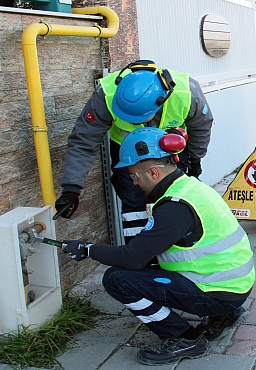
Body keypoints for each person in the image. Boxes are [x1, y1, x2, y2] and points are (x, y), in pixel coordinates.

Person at [62, 127, 255, 365]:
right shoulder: (190, 186)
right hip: (233, 284)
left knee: (116, 279)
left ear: (152, 172)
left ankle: (186, 338)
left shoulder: (174, 207)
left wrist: (88, 249)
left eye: (134, 176)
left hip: (219, 292)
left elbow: (132, 258)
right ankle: (225, 314)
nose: (133, 183)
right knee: (147, 265)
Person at [54, 60, 214, 242]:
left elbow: (201, 127)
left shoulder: (187, 92)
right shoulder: (105, 96)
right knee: (133, 205)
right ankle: (138, 257)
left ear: (160, 102)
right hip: (128, 155)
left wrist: (195, 160)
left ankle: (173, 250)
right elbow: (83, 141)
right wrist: (71, 189)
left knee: (173, 200)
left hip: (169, 149)